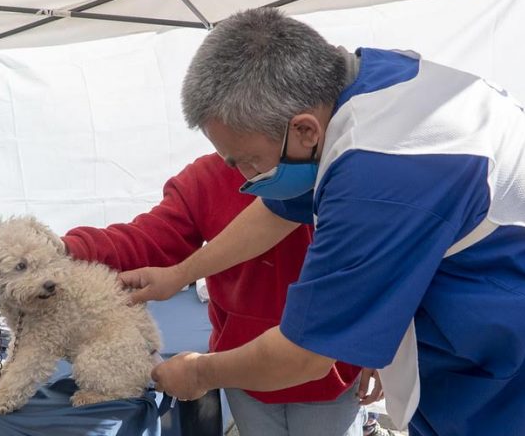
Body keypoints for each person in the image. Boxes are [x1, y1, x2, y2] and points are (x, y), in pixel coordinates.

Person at [118, 8, 525, 436]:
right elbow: (278, 211)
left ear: (305, 131)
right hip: (473, 341)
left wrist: (200, 372)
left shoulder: (385, 172)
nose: (246, 181)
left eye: (251, 162)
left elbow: (306, 353)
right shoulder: (362, 85)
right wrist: (180, 273)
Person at [61, 152, 374, 436]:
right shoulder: (207, 178)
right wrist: (66, 249)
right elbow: (150, 237)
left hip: (330, 377)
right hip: (244, 371)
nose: (243, 167)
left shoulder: (338, 173)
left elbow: (378, 259)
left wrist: (386, 345)